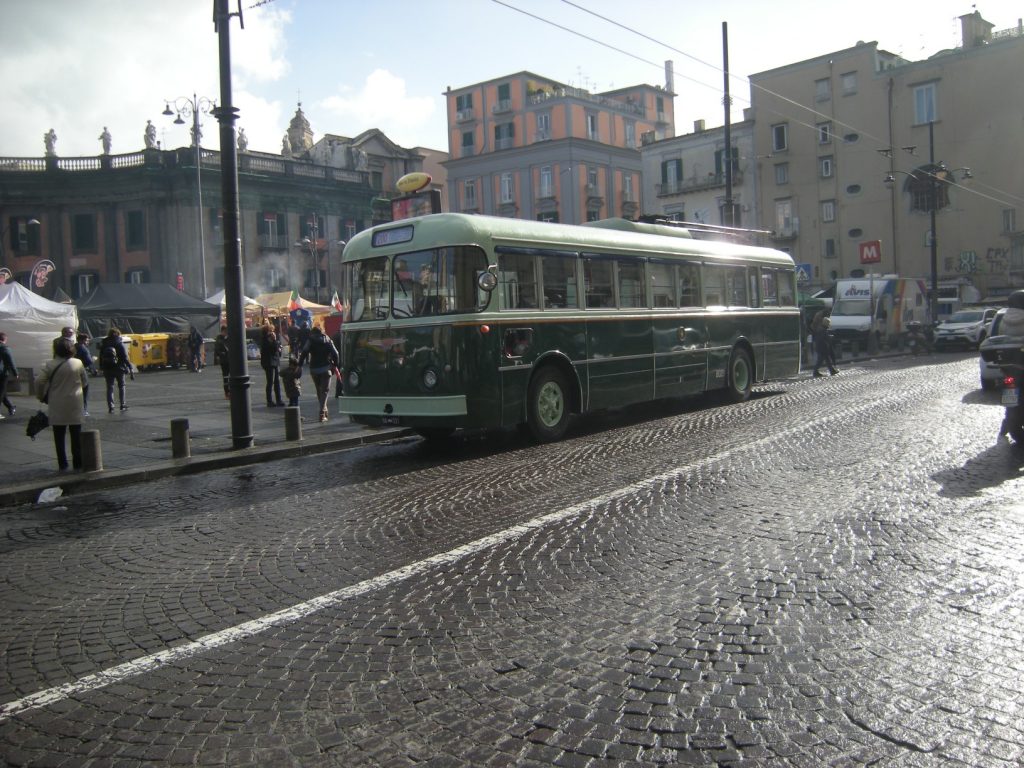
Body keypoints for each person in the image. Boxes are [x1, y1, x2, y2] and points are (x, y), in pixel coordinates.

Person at [35, 338, 89, 471]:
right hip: (75, 402)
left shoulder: (50, 364)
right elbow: (85, 381)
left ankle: (62, 464)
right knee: (76, 435)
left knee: (59, 436)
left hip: (57, 402)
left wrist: (41, 396)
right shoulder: (77, 363)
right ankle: (78, 462)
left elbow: (39, 381)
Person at [298, 325, 339, 423]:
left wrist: (299, 365)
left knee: (319, 390)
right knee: (325, 391)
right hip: (326, 368)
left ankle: (324, 410)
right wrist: (335, 365)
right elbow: (336, 353)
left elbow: (304, 352)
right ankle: (322, 412)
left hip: (314, 369)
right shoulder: (327, 339)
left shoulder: (310, 340)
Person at [99, 327, 131, 412]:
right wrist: (129, 367)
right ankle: (122, 404)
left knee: (110, 387)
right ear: (117, 334)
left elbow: (101, 357)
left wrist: (101, 367)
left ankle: (111, 407)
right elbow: (125, 357)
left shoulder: (104, 343)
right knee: (121, 386)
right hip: (119, 368)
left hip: (107, 368)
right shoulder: (119, 343)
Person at [260, 326, 285, 407]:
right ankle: (270, 400)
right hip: (269, 363)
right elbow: (272, 349)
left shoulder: (268, 339)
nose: (273, 332)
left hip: (274, 362)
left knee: (276, 381)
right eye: (271, 330)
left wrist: (277, 345)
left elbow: (277, 349)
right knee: (271, 381)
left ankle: (278, 399)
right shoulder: (266, 340)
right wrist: (274, 341)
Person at [74, 332, 97, 416]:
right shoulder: (83, 349)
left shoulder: (74, 347)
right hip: (82, 371)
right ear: (82, 340)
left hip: (73, 371)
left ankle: (75, 409)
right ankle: (83, 410)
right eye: (86, 340)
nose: (87, 342)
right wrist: (93, 359)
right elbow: (88, 361)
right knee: (84, 391)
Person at [811, 311, 838, 377]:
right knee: (820, 361)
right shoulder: (823, 330)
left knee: (827, 359)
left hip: (821, 347)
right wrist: (829, 338)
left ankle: (832, 370)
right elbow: (824, 339)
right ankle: (815, 372)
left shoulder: (821, 329)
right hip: (822, 348)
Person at [0, 331, 19, 419]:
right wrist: (15, 372)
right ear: (4, 339)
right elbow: (11, 361)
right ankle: (11, 407)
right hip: (2, 374)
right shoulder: (5, 348)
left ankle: (11, 407)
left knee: (2, 391)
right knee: (1, 392)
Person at [213, 325, 230, 399]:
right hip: (224, 360)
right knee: (225, 376)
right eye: (225, 331)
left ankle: (230, 391)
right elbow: (217, 349)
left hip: (229, 359)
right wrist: (221, 353)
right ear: (223, 331)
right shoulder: (219, 339)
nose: (226, 333)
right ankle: (227, 392)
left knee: (230, 376)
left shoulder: (228, 338)